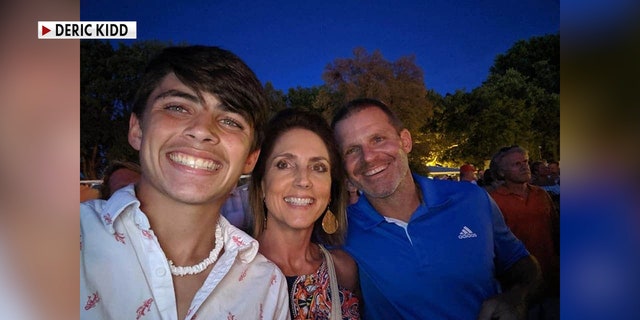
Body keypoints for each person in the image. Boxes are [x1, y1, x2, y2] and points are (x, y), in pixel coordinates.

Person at [80, 45, 290, 319]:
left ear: (250, 158)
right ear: (137, 129)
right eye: (178, 107)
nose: (202, 130)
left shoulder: (267, 285)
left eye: (230, 121)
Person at [331, 98, 542, 320]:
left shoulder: (471, 199)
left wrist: (516, 298)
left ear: (405, 141)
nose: (369, 157)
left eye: (378, 139)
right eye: (352, 150)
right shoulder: (341, 232)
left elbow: (520, 262)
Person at [249, 108, 360, 319]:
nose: (303, 180)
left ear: (330, 192)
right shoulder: (224, 272)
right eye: (284, 164)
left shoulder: (343, 270)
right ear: (262, 184)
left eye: (318, 167)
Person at [489, 146, 560, 318]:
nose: (524, 167)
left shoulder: (541, 195)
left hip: (551, 281)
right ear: (501, 172)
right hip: (518, 287)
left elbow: (555, 231)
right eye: (516, 164)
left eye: (526, 162)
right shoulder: (493, 201)